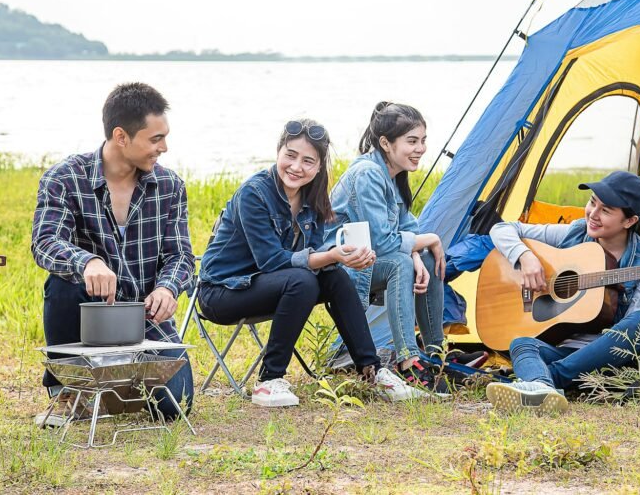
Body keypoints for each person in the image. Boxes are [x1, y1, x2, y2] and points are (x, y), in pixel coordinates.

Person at [199, 119, 424, 407]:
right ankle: (269, 380)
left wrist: (346, 256)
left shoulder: (312, 197)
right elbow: (272, 261)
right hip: (223, 291)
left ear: (319, 167)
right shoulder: (254, 193)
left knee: (334, 277)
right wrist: (331, 256)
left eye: (308, 161)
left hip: (274, 286)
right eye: (290, 156)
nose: (296, 167)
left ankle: (373, 370)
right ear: (278, 152)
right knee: (303, 278)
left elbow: (316, 249)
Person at [32, 82, 194, 421]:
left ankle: (113, 385)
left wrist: (168, 287)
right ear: (121, 137)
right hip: (90, 317)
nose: (164, 147)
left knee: (176, 406)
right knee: (62, 283)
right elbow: (45, 242)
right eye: (155, 139)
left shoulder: (170, 186)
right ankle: (69, 389)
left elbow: (180, 256)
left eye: (164, 137)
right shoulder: (64, 179)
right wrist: (87, 262)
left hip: (143, 319)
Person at [484, 170, 640, 415]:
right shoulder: (575, 233)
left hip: (609, 356)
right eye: (592, 202)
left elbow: (631, 335)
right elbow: (501, 229)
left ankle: (545, 380)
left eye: (605, 210)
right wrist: (525, 256)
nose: (592, 215)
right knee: (522, 343)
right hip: (569, 350)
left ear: (629, 221)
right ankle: (545, 386)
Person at [324, 102, 449, 393]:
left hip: (370, 259)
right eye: (412, 141)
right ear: (385, 143)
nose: (420, 148)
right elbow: (382, 243)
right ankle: (408, 361)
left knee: (427, 260)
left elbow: (406, 228)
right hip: (343, 266)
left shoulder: (393, 174)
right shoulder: (368, 174)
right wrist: (427, 241)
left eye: (423, 140)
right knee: (401, 262)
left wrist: (418, 251)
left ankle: (435, 354)